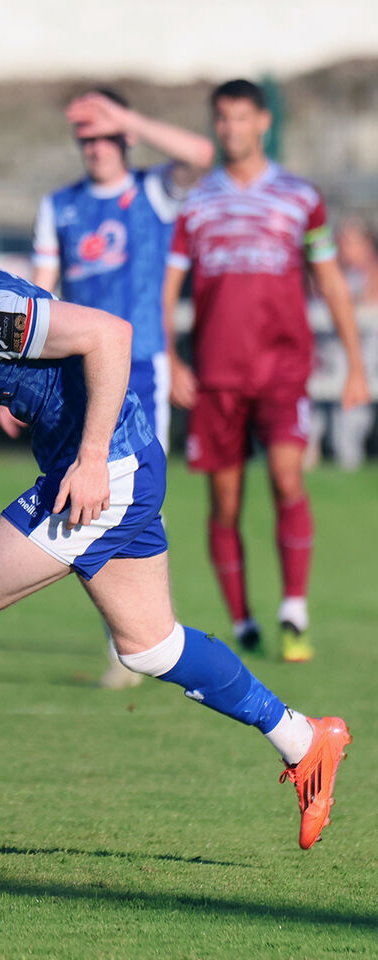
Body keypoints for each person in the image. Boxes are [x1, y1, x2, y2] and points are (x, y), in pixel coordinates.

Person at [0, 200, 350, 860]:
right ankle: (302, 738)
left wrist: (90, 461)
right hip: (121, 464)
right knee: (150, 645)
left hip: (101, 472)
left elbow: (108, 335)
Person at [163, 79, 370, 662]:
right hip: (217, 376)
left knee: (286, 479)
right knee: (226, 503)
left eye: (241, 117)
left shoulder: (301, 197)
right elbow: (168, 284)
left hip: (283, 369)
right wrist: (175, 358)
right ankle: (243, 619)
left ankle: (294, 611)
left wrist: (356, 363)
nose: (231, 128)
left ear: (263, 123)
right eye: (221, 118)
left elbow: (329, 279)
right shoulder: (197, 202)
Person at [28, 89, 214, 688]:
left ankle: (138, 634)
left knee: (129, 499)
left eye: (105, 134)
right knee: (81, 494)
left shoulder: (153, 192)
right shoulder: (60, 205)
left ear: (125, 138)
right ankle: (137, 632)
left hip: (143, 369)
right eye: (85, 136)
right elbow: (42, 294)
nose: (95, 146)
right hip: (73, 374)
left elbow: (203, 154)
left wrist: (127, 115)